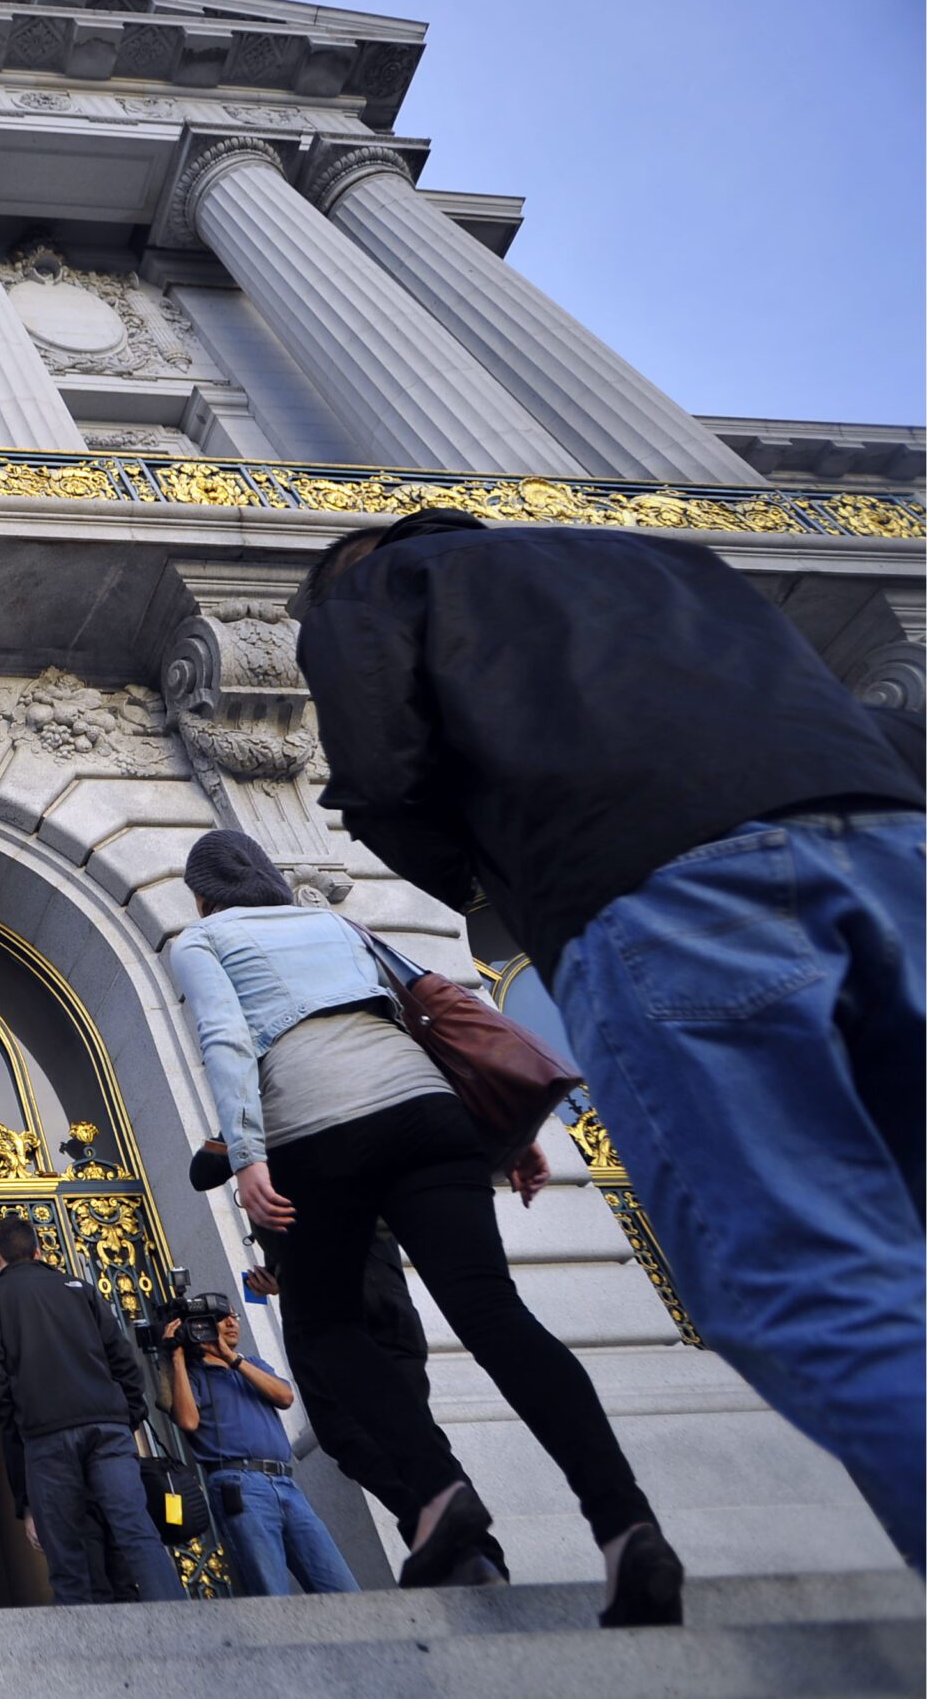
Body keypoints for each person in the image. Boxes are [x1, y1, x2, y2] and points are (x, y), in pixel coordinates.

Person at [294, 508, 925, 1571]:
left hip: (666, 883)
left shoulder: (375, 586)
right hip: (890, 850)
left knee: (802, 1266)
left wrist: (496, 881)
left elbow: (380, 764)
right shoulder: (669, 554)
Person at [167, 830, 679, 1627]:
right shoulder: (336, 926)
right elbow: (437, 1013)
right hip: (428, 1114)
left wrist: (246, 1153)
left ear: (201, 896)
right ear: (270, 879)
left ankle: (440, 1497)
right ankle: (627, 1526)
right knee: (496, 1314)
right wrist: (505, 1139)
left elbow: (226, 1040)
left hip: (317, 1127)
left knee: (327, 1327)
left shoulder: (205, 938)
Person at [192, 1139, 509, 1580]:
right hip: (387, 1303)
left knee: (345, 1432)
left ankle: (441, 1530)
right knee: (414, 1433)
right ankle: (471, 1552)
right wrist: (281, 1277)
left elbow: (202, 1170)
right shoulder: (358, 1135)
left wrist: (242, 1138)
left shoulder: (277, 1129)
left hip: (335, 1316)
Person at [0, 1216, 185, 1606]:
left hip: (47, 1435)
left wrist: (21, 1425)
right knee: (136, 1531)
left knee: (66, 1550)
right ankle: (181, 1624)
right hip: (106, 1427)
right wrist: (126, 1414)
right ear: (38, 1251)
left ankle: (80, 1650)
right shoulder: (80, 1289)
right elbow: (123, 1360)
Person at [162, 1298, 357, 1597]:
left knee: (339, 1585)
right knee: (270, 1591)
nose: (232, 1322)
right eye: (220, 1318)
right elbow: (187, 1421)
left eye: (234, 1316)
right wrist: (175, 1357)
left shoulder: (251, 1364)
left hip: (286, 1483)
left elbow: (285, 1396)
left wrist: (232, 1359)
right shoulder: (193, 1376)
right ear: (199, 1328)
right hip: (238, 1484)